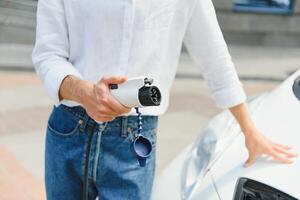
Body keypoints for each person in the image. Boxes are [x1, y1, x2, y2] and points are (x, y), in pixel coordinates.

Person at [32, 0, 298, 199]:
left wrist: (249, 130)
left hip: (133, 139)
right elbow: (48, 54)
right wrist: (85, 93)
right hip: (69, 128)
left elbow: (214, 59)